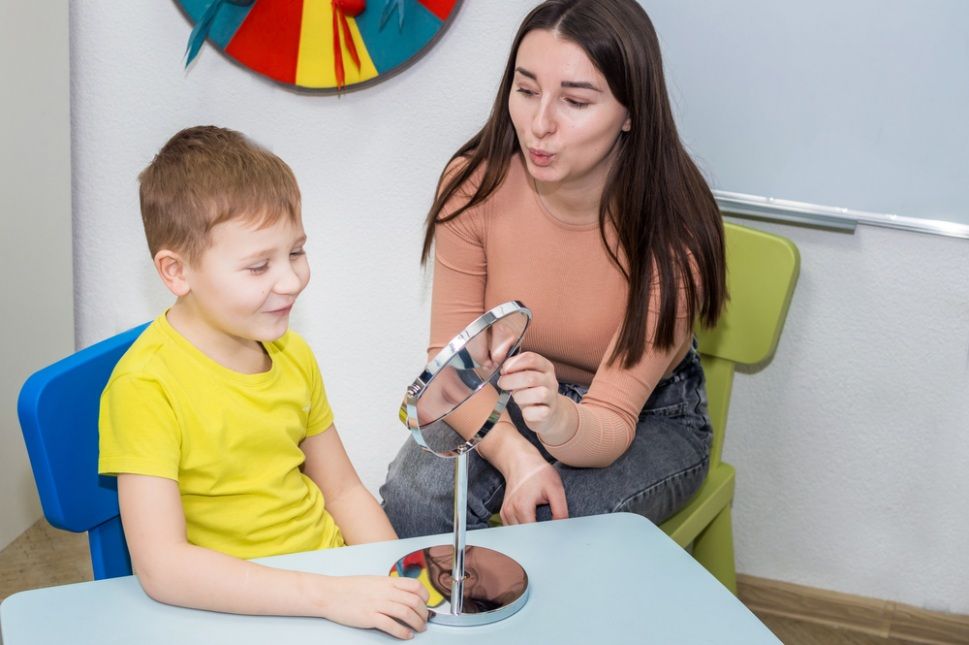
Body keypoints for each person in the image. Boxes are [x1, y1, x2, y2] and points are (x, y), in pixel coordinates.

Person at [381, 0, 727, 538]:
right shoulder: (475, 185)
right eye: (526, 91)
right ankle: (435, 619)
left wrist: (558, 421)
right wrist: (517, 455)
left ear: (631, 112)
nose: (540, 125)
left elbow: (611, 422)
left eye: (575, 100)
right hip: (512, 392)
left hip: (648, 414)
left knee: (558, 523)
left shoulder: (673, 232)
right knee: (414, 496)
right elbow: (447, 370)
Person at [98, 126, 428, 640]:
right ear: (176, 271)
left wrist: (397, 579)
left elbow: (342, 491)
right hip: (239, 610)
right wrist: (328, 597)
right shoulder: (144, 386)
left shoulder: (291, 354)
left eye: (296, 252)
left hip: (330, 585)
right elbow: (163, 568)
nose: (292, 281)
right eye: (258, 266)